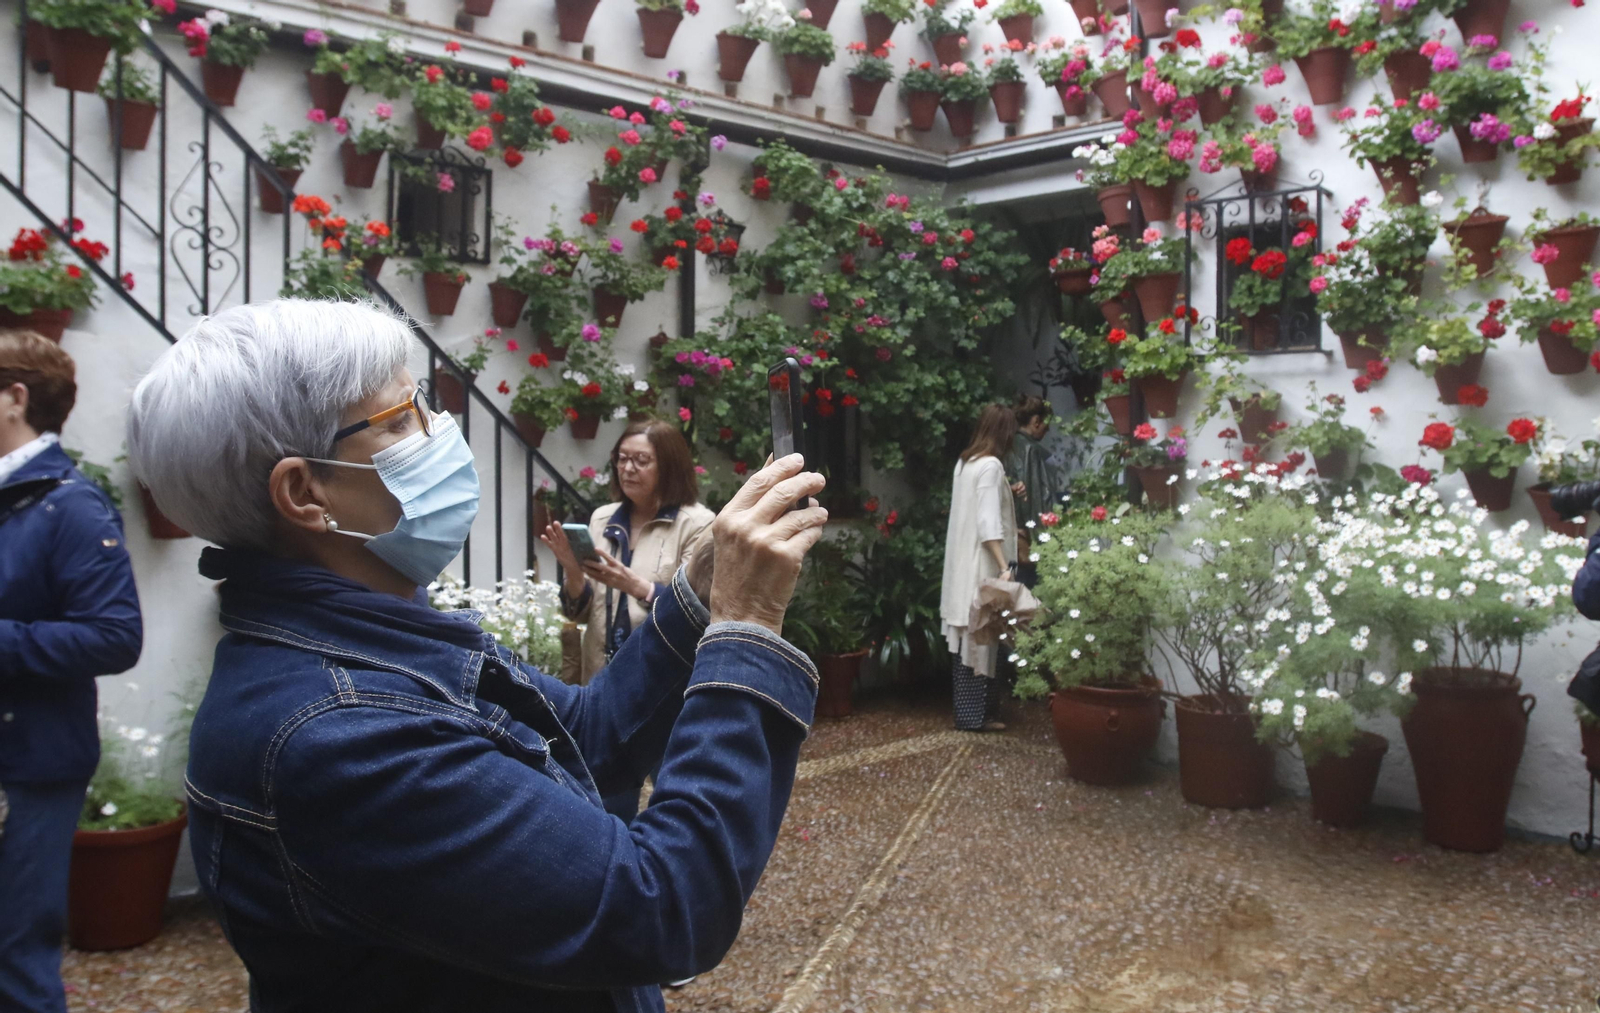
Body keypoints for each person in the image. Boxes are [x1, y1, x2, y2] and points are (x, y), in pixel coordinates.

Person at [125, 299, 829, 1013]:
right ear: (306, 492)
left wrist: (701, 586)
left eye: (423, 403)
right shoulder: (342, 735)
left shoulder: (377, 634)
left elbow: (589, 735)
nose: (438, 428)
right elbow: (664, 906)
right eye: (399, 420)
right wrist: (745, 625)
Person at [0, 330, 143, 1013]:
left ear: (15, 398)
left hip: (28, 764)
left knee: (14, 959)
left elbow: (114, 637)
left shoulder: (72, 505)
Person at [544, 419, 715, 687]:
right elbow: (580, 615)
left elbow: (697, 610)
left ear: (669, 467)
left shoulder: (697, 524)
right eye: (622, 459)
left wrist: (637, 587)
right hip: (599, 678)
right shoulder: (603, 518)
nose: (627, 468)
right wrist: (574, 573)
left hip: (659, 682)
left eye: (641, 460)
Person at [939, 404, 1018, 733]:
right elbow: (988, 524)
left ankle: (974, 714)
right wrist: (1004, 566)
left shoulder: (965, 463)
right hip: (980, 564)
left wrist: (1008, 492)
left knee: (971, 640)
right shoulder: (991, 466)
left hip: (961, 566)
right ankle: (977, 716)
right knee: (983, 641)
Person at [1006, 395, 1060, 587]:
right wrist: (1042, 539)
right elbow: (1038, 496)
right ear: (1036, 421)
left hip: (1010, 531)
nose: (1047, 429)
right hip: (1029, 535)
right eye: (1046, 424)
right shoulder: (1032, 450)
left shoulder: (1008, 445)